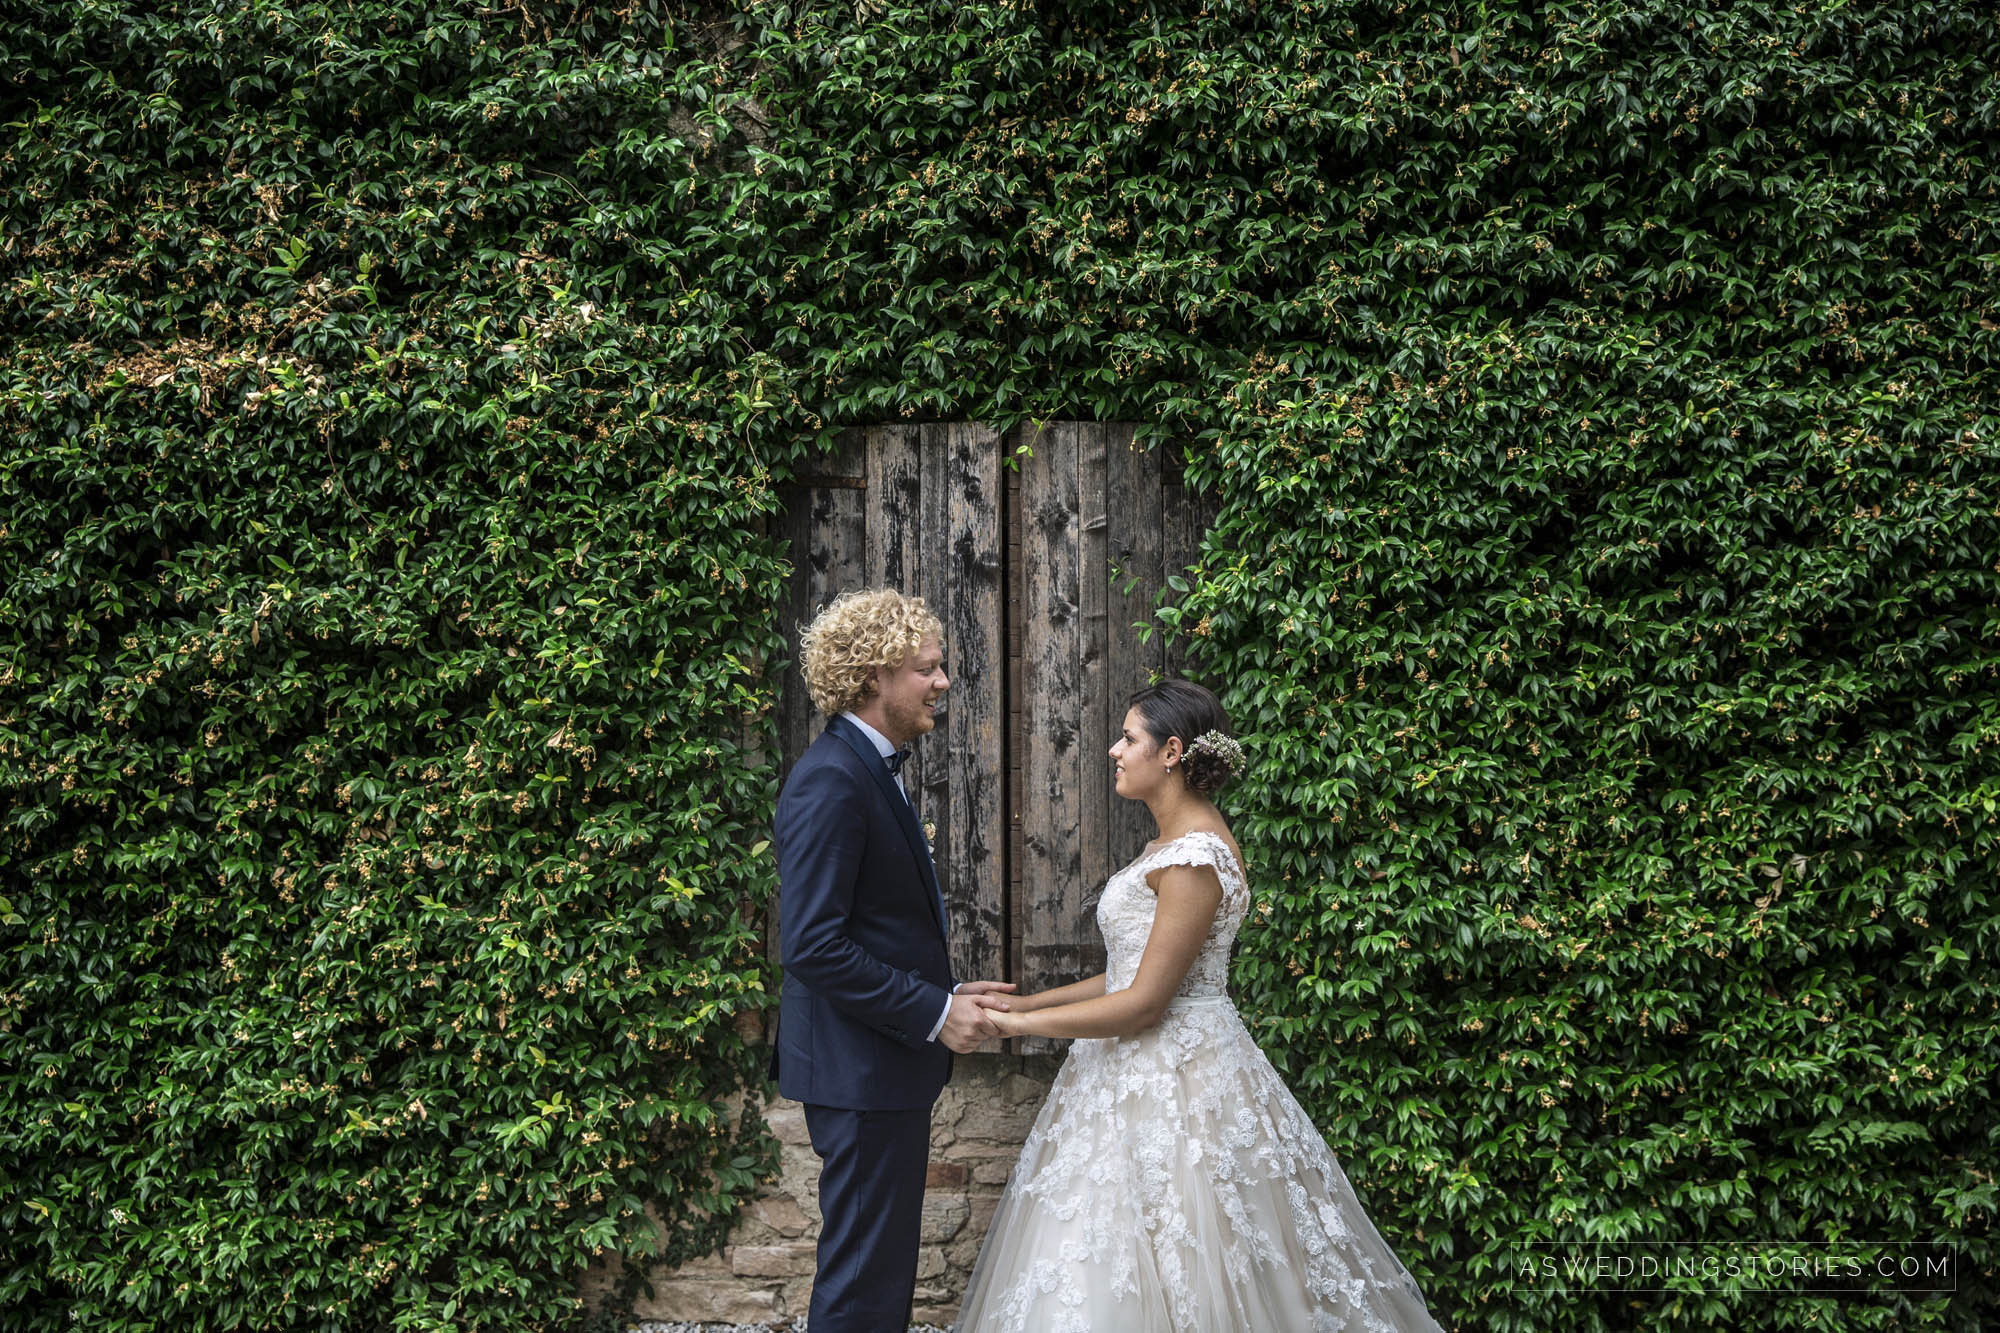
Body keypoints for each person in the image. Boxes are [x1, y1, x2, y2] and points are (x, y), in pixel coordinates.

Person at [954, 679, 1447, 1332]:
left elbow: (1143, 1005)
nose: (1113, 750)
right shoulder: (1169, 842)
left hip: (1180, 1081)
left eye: (1128, 737)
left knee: (1198, 1255)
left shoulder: (1195, 857)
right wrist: (1022, 998)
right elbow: (1126, 974)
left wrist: (1016, 1026)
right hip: (1131, 1071)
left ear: (1171, 751)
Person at [771, 587, 1015, 1333]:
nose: (943, 682)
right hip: (861, 1071)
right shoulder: (831, 778)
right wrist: (935, 1011)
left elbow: (870, 925)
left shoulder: (869, 766)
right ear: (874, 677)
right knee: (861, 1282)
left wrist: (943, 986)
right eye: (928, 669)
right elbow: (812, 943)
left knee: (877, 1275)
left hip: (876, 1066)